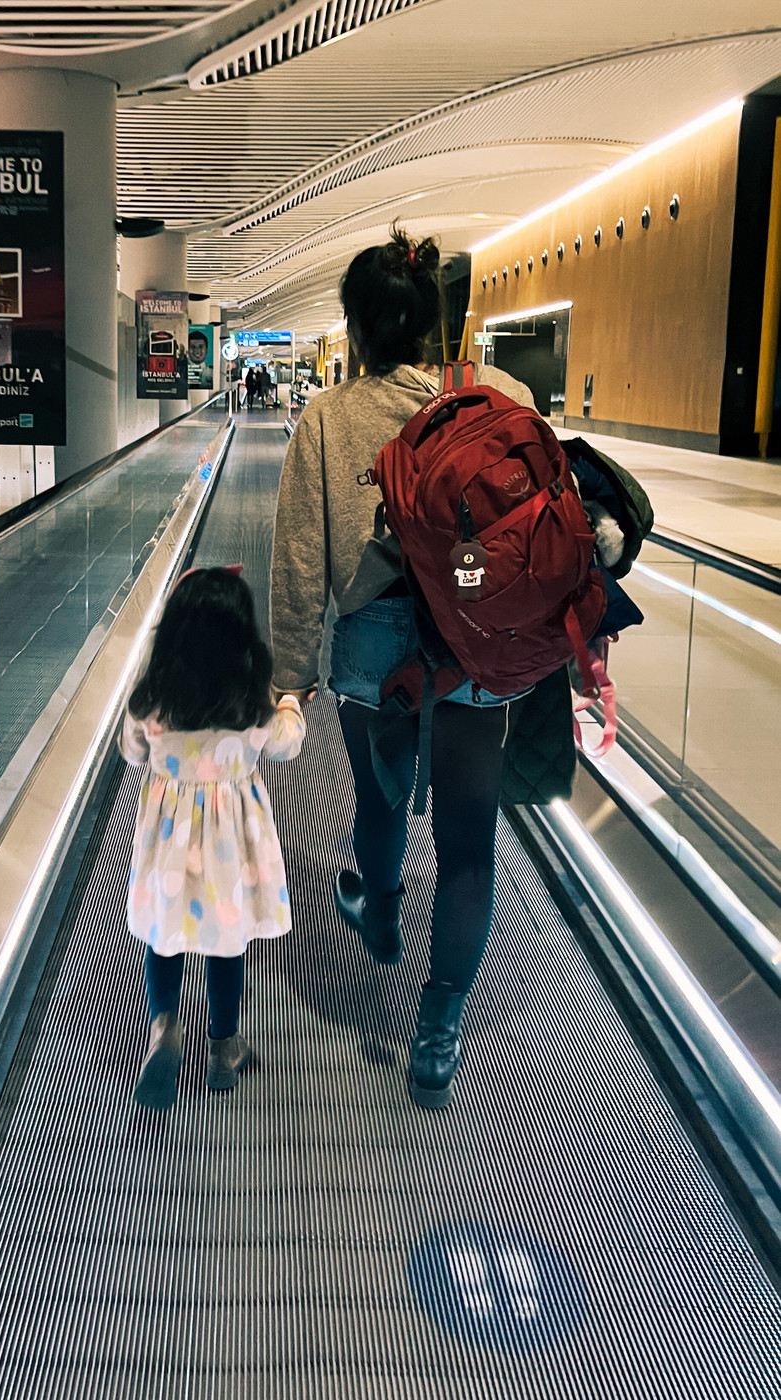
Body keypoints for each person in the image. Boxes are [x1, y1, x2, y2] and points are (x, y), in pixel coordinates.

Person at [269, 225, 538, 1111]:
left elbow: (302, 558)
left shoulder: (328, 417)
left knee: (381, 797)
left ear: (353, 328)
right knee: (467, 840)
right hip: (476, 636)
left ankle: (379, 910)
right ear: (432, 324)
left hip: (376, 646)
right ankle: (438, 1026)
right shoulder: (497, 393)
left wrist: (290, 676)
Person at [120, 565, 306, 1111]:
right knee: (227, 945)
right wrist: (292, 703)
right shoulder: (252, 706)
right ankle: (223, 1050)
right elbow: (287, 745)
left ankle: (163, 1028)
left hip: (168, 846)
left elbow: (132, 754)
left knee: (164, 936)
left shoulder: (152, 704)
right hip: (232, 852)